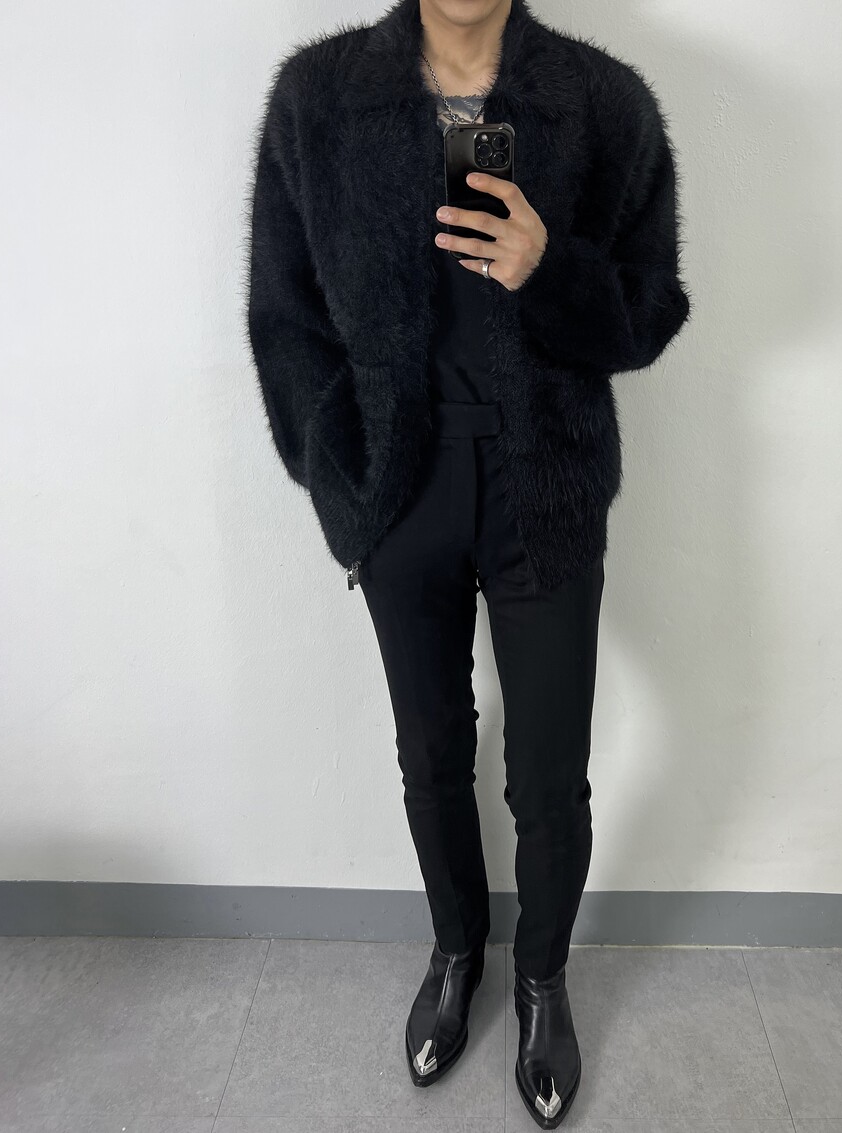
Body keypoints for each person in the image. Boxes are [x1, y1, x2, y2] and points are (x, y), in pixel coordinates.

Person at [245, 0, 690, 1125]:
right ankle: (456, 951)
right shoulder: (317, 101)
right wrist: (340, 474)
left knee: (547, 771)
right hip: (401, 488)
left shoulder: (603, 105)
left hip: (546, 484)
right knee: (431, 749)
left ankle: (541, 979)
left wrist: (551, 268)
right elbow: (283, 319)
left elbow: (649, 311)